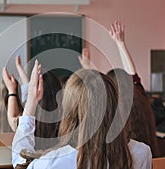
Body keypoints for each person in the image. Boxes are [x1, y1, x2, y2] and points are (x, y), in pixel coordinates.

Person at [12, 61, 152, 169]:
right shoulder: (142, 153)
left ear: (70, 113)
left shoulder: (52, 163)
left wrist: (31, 101)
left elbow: (19, 162)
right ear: (114, 105)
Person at [79, 21, 159, 157]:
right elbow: (133, 76)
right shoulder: (141, 103)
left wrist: (87, 68)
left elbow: (101, 88)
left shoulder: (116, 115)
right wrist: (120, 43)